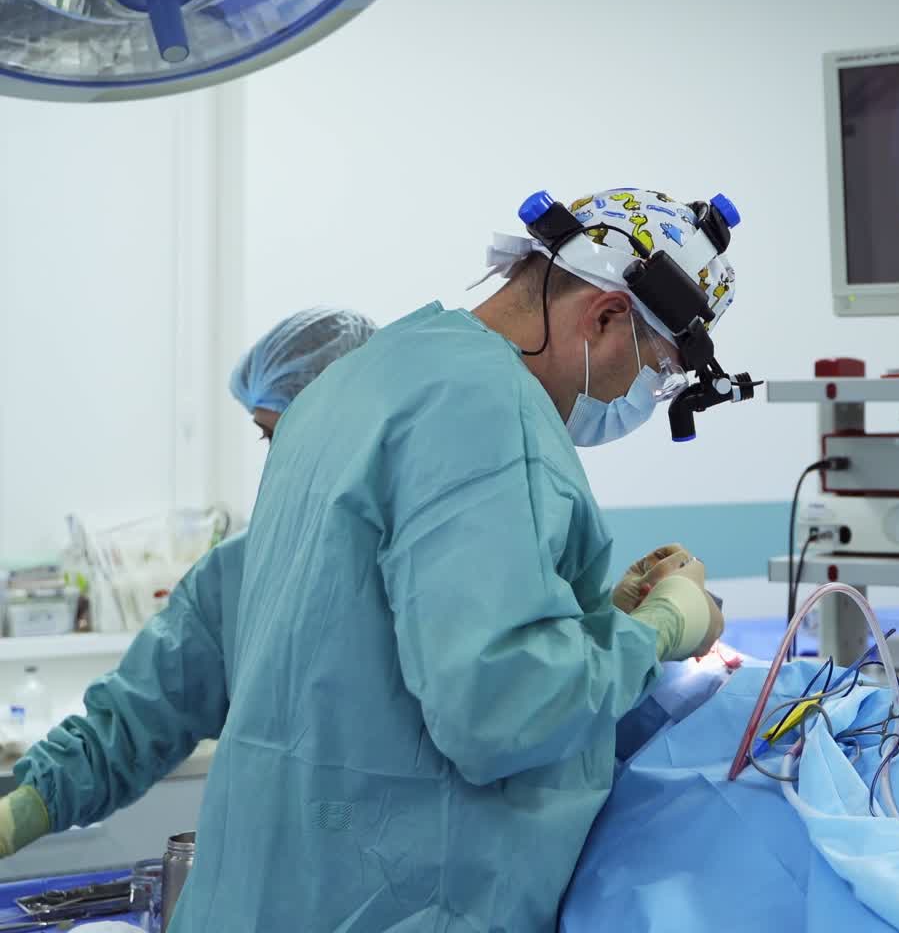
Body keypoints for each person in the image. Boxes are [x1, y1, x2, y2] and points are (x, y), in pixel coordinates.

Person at [169, 187, 742, 933]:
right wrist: (661, 628)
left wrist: (590, 619)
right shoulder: (494, 413)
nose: (637, 393)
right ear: (605, 318)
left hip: (260, 890)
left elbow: (378, 637)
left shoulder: (361, 380)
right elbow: (502, 711)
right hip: (394, 898)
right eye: (656, 369)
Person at [0, 308, 377, 861]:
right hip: (281, 884)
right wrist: (19, 813)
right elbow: (130, 724)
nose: (280, 463)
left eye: (287, 435)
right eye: (267, 437)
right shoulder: (237, 577)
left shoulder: (435, 561)